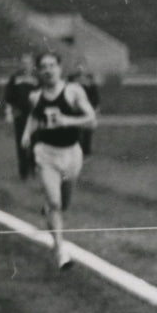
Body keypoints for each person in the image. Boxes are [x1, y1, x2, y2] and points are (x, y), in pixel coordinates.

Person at [20, 51, 97, 270]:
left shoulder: (73, 91)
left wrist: (67, 121)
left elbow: (92, 121)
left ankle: (52, 212)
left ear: (60, 68)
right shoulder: (36, 96)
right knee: (55, 203)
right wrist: (27, 134)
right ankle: (60, 251)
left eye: (52, 65)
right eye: (43, 66)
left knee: (63, 203)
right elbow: (34, 116)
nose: (48, 70)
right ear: (39, 71)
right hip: (46, 154)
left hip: (72, 154)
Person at [2, 52, 40, 180]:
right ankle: (23, 172)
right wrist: (8, 112)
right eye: (23, 63)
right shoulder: (15, 78)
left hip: (34, 115)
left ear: (32, 64)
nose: (25, 66)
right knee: (21, 143)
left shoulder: (37, 78)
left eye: (28, 63)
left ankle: (32, 166)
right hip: (20, 114)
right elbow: (8, 96)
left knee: (35, 142)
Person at [69, 63, 101, 155]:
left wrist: (96, 109)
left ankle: (86, 151)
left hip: (87, 110)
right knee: (75, 131)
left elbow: (95, 97)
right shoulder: (71, 80)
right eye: (78, 66)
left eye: (82, 66)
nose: (80, 68)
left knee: (87, 132)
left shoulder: (90, 82)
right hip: (75, 110)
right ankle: (75, 150)